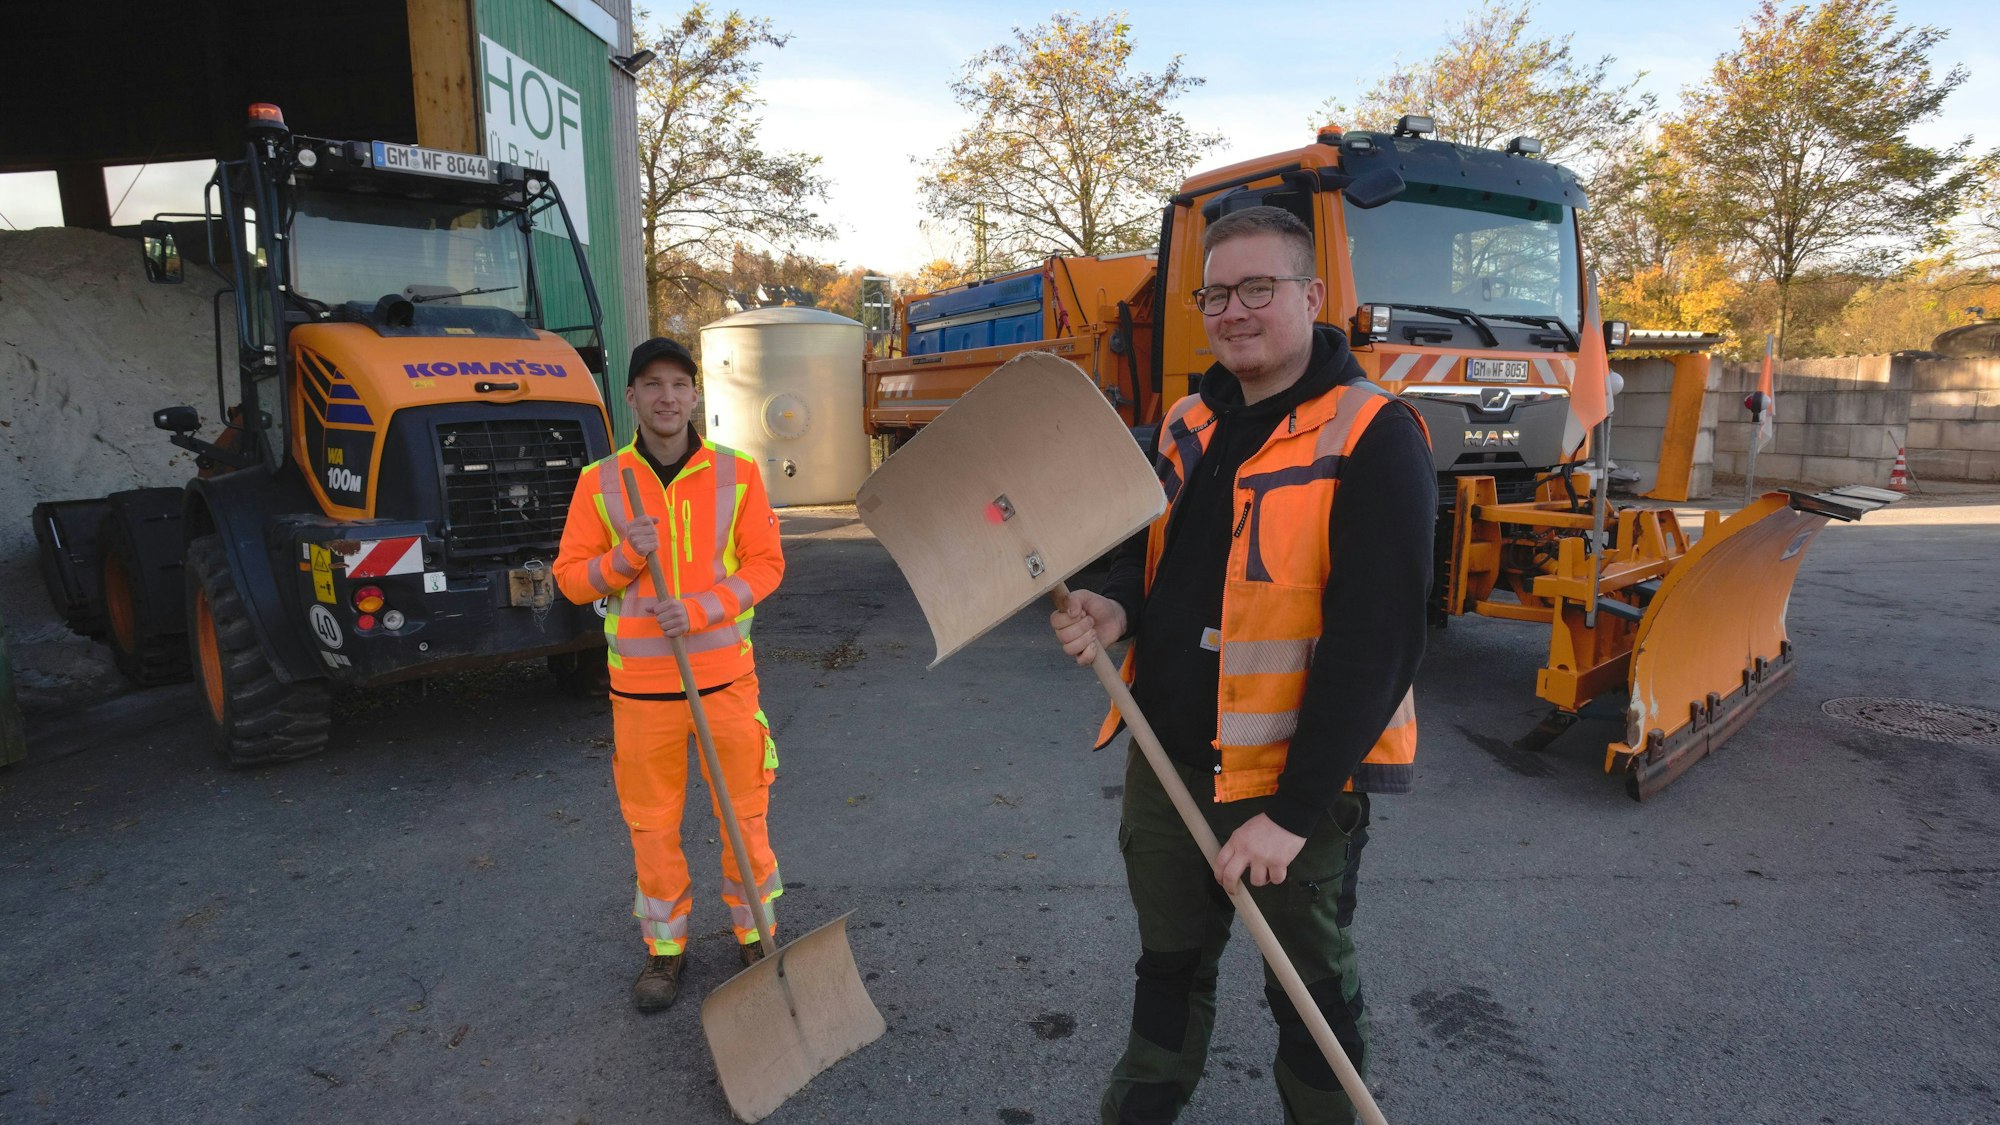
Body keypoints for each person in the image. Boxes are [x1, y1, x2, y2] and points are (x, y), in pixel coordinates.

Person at [1049, 206, 1436, 1123]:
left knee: (1309, 990)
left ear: (1310, 295)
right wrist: (1114, 603)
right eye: (1217, 292)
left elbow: (1377, 643)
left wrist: (1293, 814)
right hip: (1168, 753)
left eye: (1258, 288)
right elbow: (1152, 554)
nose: (1235, 310)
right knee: (1167, 966)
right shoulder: (1190, 417)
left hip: (1290, 783)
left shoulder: (1374, 435)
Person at [555, 336, 786, 1012]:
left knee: (745, 814)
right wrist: (625, 559)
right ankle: (666, 949)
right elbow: (571, 579)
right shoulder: (601, 482)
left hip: (724, 683)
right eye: (651, 384)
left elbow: (766, 565)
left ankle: (756, 933)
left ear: (695, 395)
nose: (666, 397)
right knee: (653, 824)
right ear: (631, 396)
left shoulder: (737, 473)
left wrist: (700, 606)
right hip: (641, 694)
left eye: (678, 384)